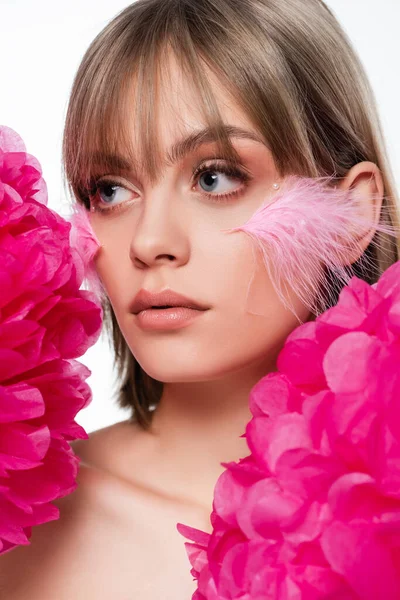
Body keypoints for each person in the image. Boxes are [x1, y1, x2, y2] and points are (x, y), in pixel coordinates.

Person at [1, 0, 399, 598]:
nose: (149, 241)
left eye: (215, 177)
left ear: (351, 215)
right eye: (110, 189)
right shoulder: (19, 528)